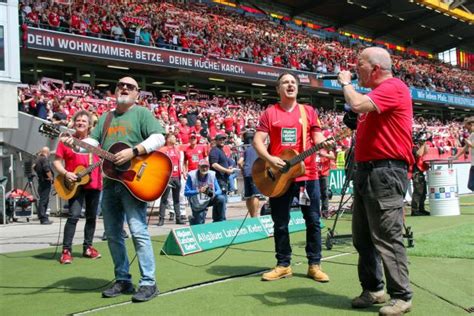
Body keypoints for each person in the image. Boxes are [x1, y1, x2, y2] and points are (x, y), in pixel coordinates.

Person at [61, 77, 165, 302]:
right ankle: (123, 279)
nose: (124, 88)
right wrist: (76, 143)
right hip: (110, 182)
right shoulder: (107, 118)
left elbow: (159, 137)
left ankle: (149, 282)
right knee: (113, 234)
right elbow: (94, 143)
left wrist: (134, 151)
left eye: (130, 86)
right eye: (121, 85)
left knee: (138, 231)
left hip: (133, 182)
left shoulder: (142, 114)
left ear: (138, 93)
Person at [338, 47, 414, 315]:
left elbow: (357, 104)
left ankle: (401, 295)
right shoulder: (376, 95)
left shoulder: (394, 87)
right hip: (368, 171)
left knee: (387, 236)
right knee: (363, 237)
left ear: (376, 69)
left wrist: (346, 84)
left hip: (385, 170)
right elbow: (359, 112)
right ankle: (374, 289)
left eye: (359, 65)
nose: (355, 69)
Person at [253, 72, 330, 283]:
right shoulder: (270, 113)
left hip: (308, 175)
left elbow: (317, 136)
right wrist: (270, 158)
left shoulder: (308, 111)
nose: (290, 85)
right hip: (279, 177)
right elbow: (258, 141)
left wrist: (325, 142)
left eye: (293, 82)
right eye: (285, 82)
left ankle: (314, 265)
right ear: (278, 89)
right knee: (280, 222)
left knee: (313, 221)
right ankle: (283, 264)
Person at [53, 110, 102, 264]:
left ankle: (88, 247)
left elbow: (103, 160)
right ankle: (66, 250)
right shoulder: (66, 141)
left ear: (89, 125)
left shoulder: (96, 143)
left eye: (84, 121)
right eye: (78, 120)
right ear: (73, 123)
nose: (80, 123)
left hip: (94, 183)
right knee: (73, 216)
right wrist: (66, 173)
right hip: (74, 184)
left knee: (91, 217)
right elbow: (56, 161)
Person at [184, 159, 226, 225]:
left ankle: (219, 220)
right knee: (199, 224)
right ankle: (192, 220)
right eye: (202, 167)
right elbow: (186, 193)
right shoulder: (191, 176)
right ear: (198, 167)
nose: (204, 168)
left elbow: (219, 191)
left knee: (221, 198)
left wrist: (211, 193)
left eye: (206, 167)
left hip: (208, 197)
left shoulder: (212, 175)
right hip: (197, 201)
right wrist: (198, 191)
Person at [158, 133, 185, 226]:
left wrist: (181, 174)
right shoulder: (162, 150)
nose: (175, 138)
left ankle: (178, 218)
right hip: (167, 177)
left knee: (176, 198)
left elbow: (179, 162)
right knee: (164, 198)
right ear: (168, 139)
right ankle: (161, 219)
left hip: (176, 176)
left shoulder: (177, 150)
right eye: (173, 137)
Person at [208, 134, 234, 221]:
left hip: (222, 179)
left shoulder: (220, 150)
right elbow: (214, 164)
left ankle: (217, 220)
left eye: (223, 139)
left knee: (219, 201)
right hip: (218, 180)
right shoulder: (214, 150)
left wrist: (228, 168)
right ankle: (222, 220)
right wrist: (226, 170)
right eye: (220, 139)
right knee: (221, 200)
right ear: (216, 140)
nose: (222, 141)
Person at [237, 133, 261, 217]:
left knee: (248, 196)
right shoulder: (259, 148)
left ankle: (251, 216)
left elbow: (239, 162)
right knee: (256, 195)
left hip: (246, 173)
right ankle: (255, 216)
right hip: (255, 173)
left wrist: (243, 170)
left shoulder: (246, 150)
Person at [451, 116, 474, 191]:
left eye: (466, 126)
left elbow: (471, 145)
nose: (465, 128)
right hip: (473, 164)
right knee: (471, 185)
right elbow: (465, 148)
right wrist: (456, 157)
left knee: (471, 185)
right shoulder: (472, 135)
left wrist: (468, 143)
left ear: (471, 124)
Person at [34, 146, 54, 225]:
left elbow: (33, 167)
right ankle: (43, 218)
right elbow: (46, 169)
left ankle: (43, 216)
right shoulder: (44, 159)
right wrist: (51, 178)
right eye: (49, 152)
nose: (49, 154)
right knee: (44, 200)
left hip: (41, 181)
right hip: (45, 181)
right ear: (46, 152)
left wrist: (39, 174)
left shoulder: (38, 159)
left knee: (42, 199)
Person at [411, 136, 430, 216]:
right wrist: (422, 145)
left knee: (423, 192)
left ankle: (421, 209)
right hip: (416, 172)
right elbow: (418, 155)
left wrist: (425, 144)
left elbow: (426, 152)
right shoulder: (413, 148)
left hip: (420, 172)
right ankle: (414, 210)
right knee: (418, 192)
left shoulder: (420, 147)